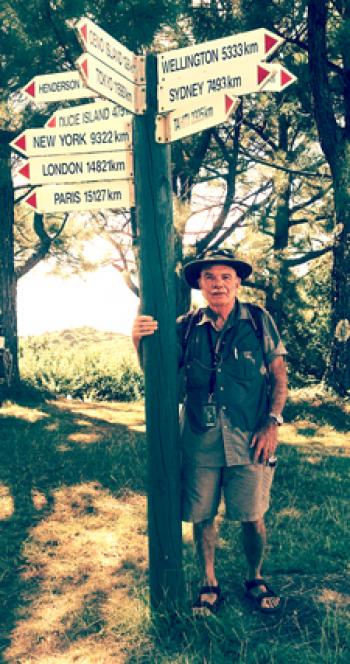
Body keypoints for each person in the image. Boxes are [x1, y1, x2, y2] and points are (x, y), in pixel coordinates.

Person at [132, 249, 288, 615]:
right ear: (200, 285)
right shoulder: (185, 326)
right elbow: (160, 379)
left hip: (250, 437)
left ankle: (255, 575)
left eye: (225, 277)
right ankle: (209, 582)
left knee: (252, 515)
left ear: (237, 282)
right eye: (209, 278)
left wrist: (272, 422)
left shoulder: (259, 321)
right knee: (203, 515)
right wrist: (138, 342)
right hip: (200, 438)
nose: (218, 283)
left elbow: (280, 377)